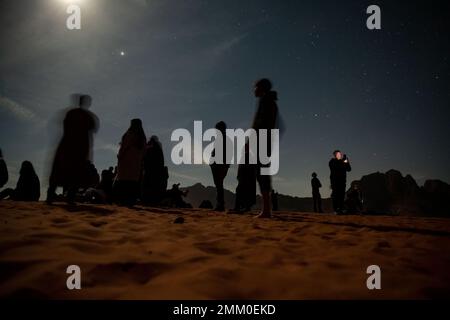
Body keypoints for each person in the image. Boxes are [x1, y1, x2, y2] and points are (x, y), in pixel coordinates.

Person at [46, 95, 99, 204]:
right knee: (64, 173)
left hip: (74, 148)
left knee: (71, 174)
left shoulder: (79, 115)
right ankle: (55, 197)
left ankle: (63, 197)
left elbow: (90, 130)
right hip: (72, 148)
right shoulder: (82, 115)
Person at [252, 78, 278, 218]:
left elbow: (261, 123)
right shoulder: (269, 102)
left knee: (262, 174)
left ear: (261, 88)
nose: (254, 90)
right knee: (262, 173)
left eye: (255, 87)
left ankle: (267, 210)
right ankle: (267, 209)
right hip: (265, 140)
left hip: (262, 141)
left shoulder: (266, 102)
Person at [113, 119, 146, 206]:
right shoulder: (142, 137)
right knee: (132, 183)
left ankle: (122, 201)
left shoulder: (129, 134)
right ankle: (130, 201)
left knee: (124, 182)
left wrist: (120, 156)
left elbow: (124, 146)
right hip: (136, 163)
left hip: (126, 160)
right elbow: (143, 152)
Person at [209, 121, 232, 211]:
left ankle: (221, 204)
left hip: (220, 166)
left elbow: (228, 154)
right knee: (218, 184)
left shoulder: (225, 140)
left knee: (219, 184)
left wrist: (225, 167)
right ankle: (220, 204)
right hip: (216, 165)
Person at [142, 135, 167, 206]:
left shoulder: (150, 147)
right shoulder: (158, 148)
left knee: (148, 185)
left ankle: (148, 201)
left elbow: (145, 157)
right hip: (156, 171)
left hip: (149, 170)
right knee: (154, 186)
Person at [329, 150, 351, 214]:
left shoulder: (343, 161)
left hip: (342, 182)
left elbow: (349, 169)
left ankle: (340, 209)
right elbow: (335, 167)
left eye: (340, 154)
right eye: (338, 154)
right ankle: (335, 210)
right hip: (335, 182)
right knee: (335, 195)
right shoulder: (332, 161)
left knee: (341, 196)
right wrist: (343, 162)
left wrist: (347, 162)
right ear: (335, 155)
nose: (340, 155)